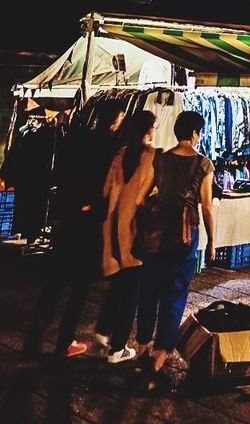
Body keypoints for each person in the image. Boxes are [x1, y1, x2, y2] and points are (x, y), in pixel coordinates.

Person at [22, 99, 127, 359]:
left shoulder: (79, 139)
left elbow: (61, 176)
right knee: (79, 286)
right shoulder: (112, 147)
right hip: (89, 223)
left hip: (67, 216)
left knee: (55, 282)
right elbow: (106, 190)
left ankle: (35, 338)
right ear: (116, 119)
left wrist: (59, 212)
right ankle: (64, 341)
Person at [134, 110, 214, 393]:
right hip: (184, 236)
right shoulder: (203, 164)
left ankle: (141, 352)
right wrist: (212, 241)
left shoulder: (161, 158)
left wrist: (156, 213)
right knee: (174, 296)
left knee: (149, 292)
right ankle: (157, 365)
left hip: (157, 235)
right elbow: (206, 206)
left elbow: (140, 197)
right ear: (194, 133)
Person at [91, 109, 157, 364]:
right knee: (132, 292)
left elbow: (107, 191)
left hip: (114, 226)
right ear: (148, 129)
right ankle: (118, 348)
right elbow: (149, 194)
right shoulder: (150, 157)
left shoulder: (120, 155)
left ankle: (103, 329)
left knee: (120, 281)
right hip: (135, 230)